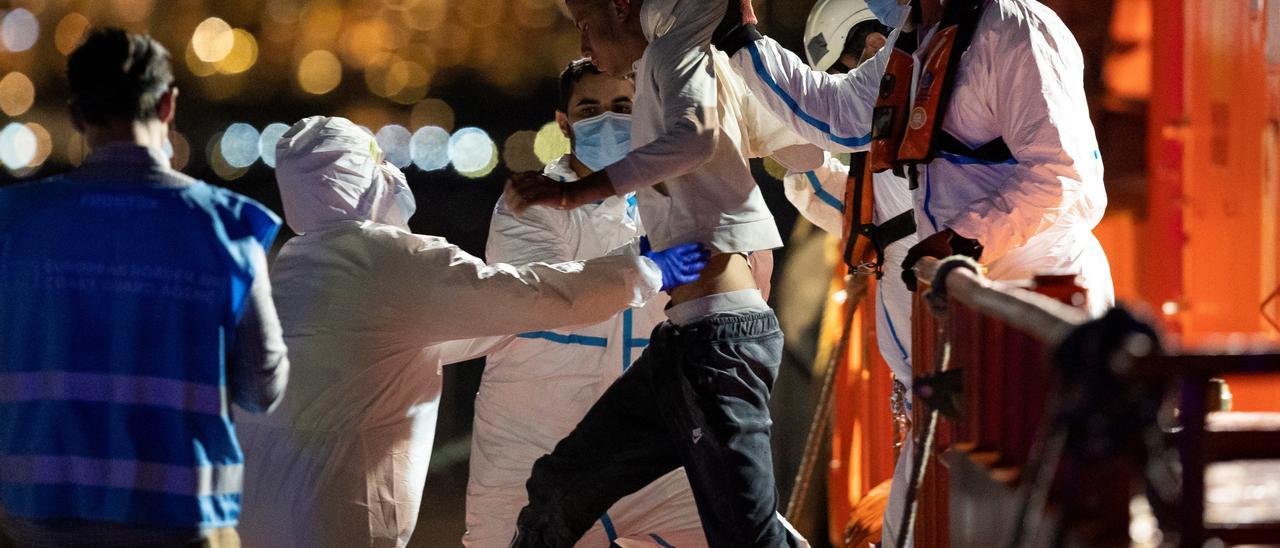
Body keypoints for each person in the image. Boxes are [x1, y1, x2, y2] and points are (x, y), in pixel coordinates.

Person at [714, 0, 1115, 544]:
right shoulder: (918, 41)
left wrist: (962, 242)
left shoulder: (1014, 28)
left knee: (1039, 516)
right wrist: (743, 41)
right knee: (924, 525)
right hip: (953, 340)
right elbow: (839, 113)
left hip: (1028, 314)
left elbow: (1063, 177)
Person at [234, 116, 709, 548]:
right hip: (335, 516)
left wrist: (512, 321)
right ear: (362, 176)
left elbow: (429, 335)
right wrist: (644, 270)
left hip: (256, 511)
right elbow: (524, 296)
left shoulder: (290, 268)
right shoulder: (396, 263)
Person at [504, 0, 824, 545]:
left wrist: (573, 193)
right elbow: (805, 150)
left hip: (719, 342)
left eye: (585, 26)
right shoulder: (692, 64)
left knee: (745, 536)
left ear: (621, 8)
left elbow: (695, 138)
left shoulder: (670, 52)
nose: (584, 46)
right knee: (558, 486)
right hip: (687, 340)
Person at [0, 28, 288, 547]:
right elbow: (262, 389)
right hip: (180, 523)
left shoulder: (12, 225)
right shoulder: (229, 229)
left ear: (77, 115)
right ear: (168, 105)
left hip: (36, 519)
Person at [465, 59, 708, 548]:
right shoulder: (529, 203)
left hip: (651, 449)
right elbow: (543, 293)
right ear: (564, 122)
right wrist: (647, 264)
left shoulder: (674, 197)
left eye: (622, 107)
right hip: (532, 446)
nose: (608, 120)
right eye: (590, 109)